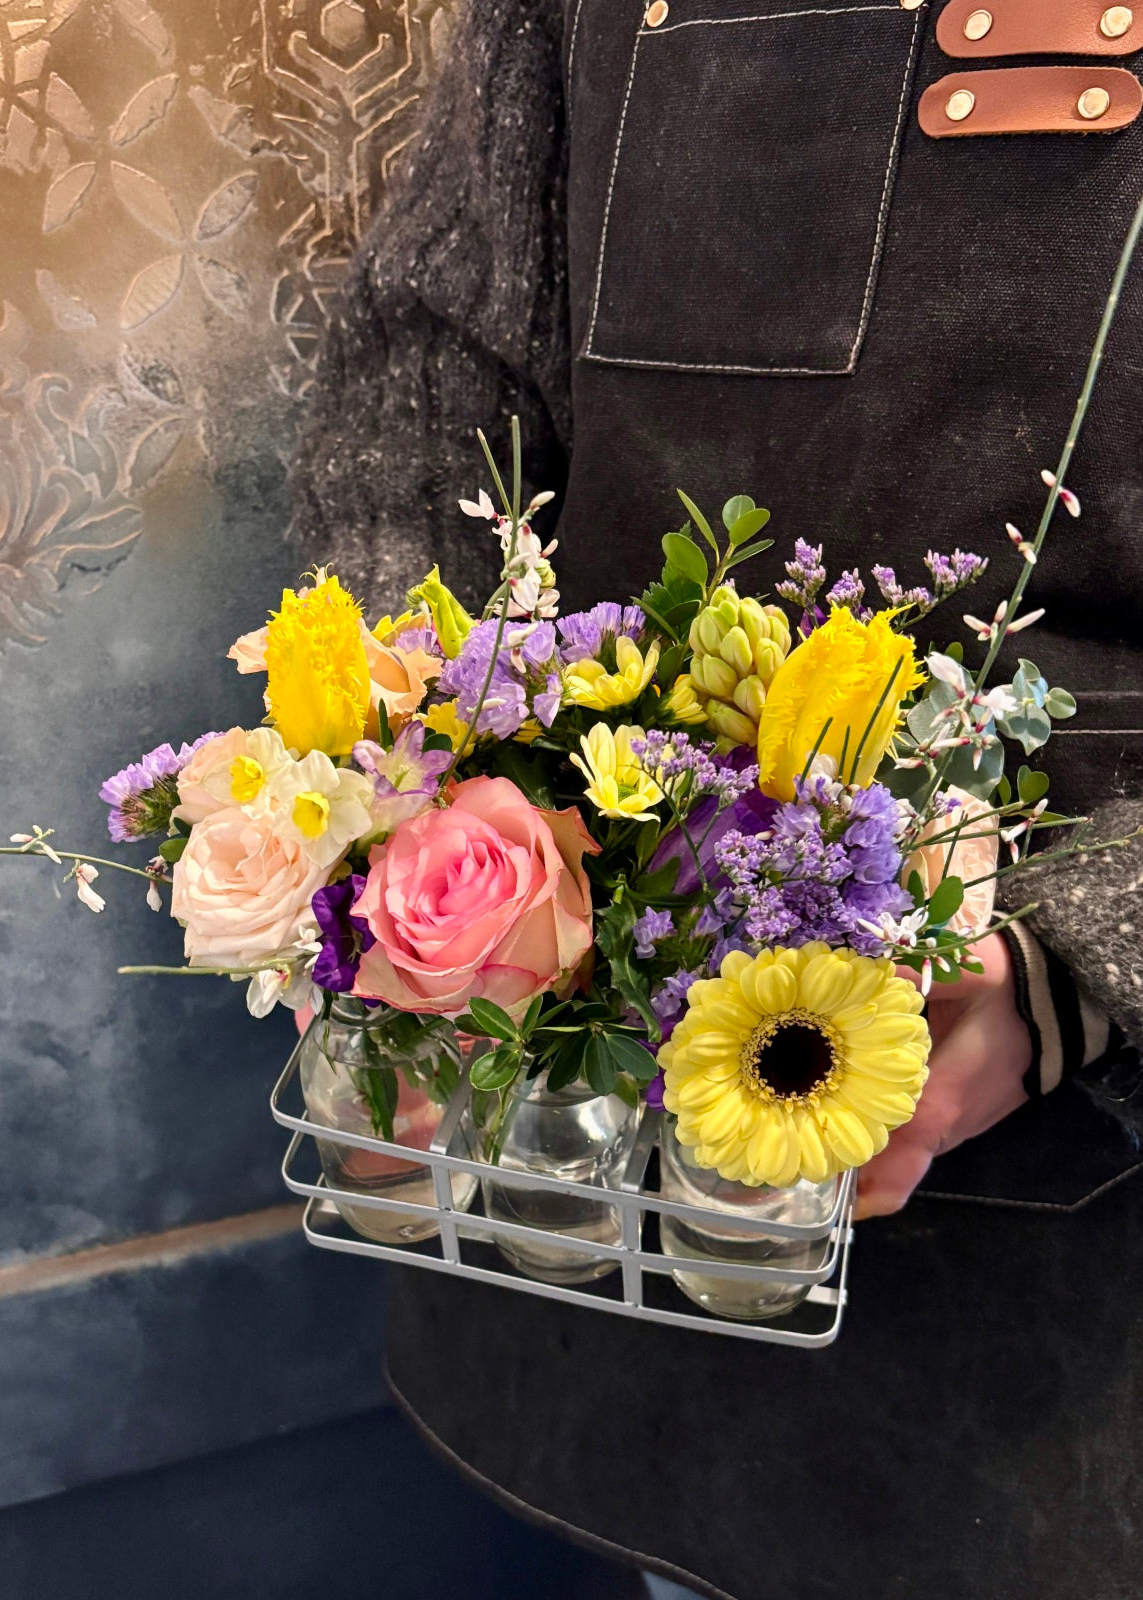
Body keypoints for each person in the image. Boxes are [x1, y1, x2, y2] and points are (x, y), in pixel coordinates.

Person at [293, 3, 1143, 1595]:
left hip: (1083, 1304)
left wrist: (1069, 969)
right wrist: (415, 792)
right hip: (610, 1248)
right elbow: (422, 376)